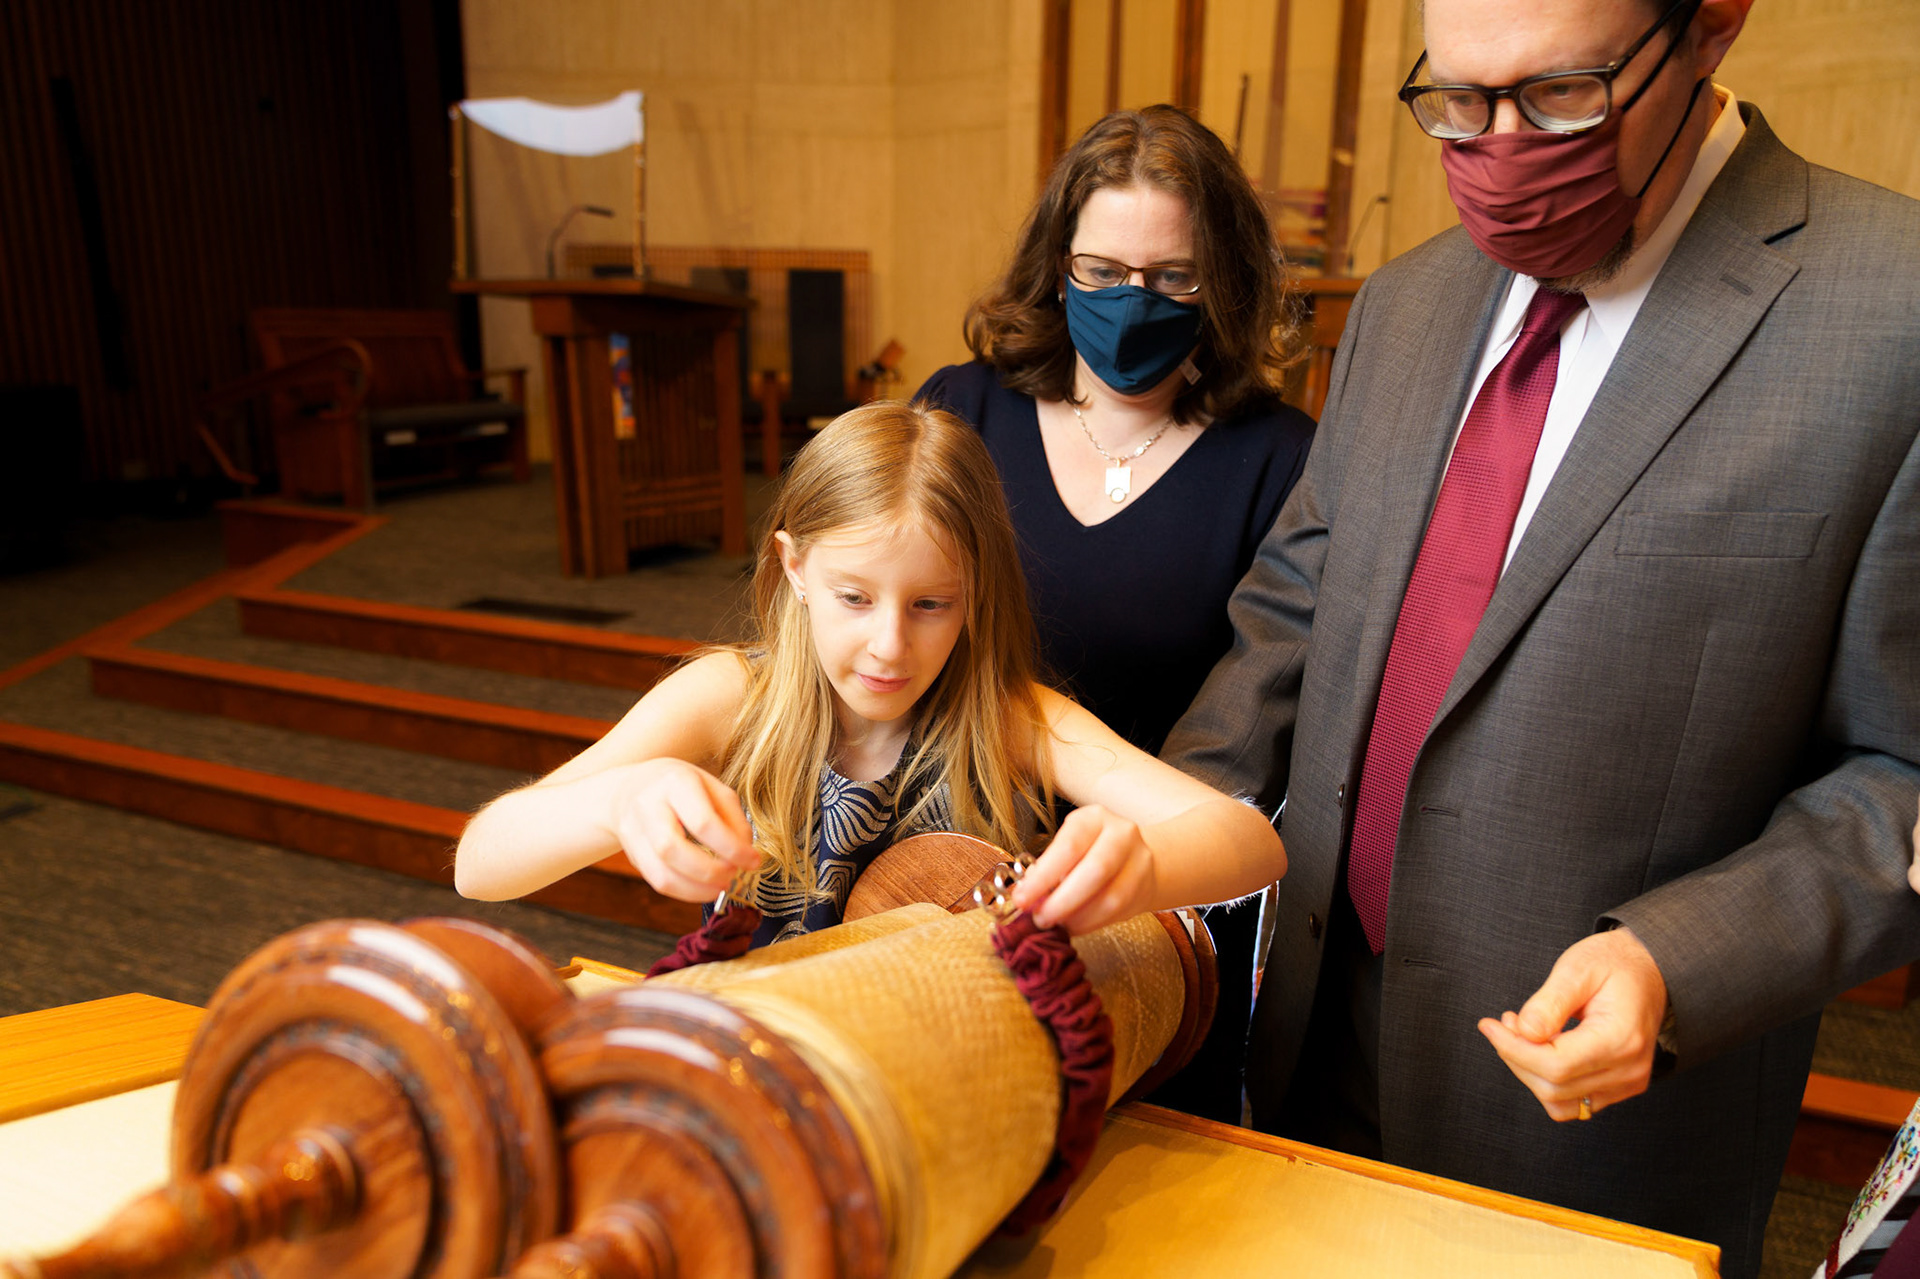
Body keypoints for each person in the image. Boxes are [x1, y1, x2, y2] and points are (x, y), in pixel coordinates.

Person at [1013, 0, 1920, 1274]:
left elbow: (1903, 773)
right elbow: (1294, 617)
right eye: (1455, 102)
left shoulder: (1894, 316)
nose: (1497, 150)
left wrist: (1685, 956)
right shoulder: (1406, 303)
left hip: (1597, 1106)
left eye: (1557, 99)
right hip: (1316, 1036)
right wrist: (1162, 833)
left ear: (1711, 28)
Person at [455, 400, 1285, 955]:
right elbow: (481, 863)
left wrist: (1146, 862)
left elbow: (1253, 843)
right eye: (855, 597)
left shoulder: (1008, 716)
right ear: (796, 567)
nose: (889, 646)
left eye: (931, 603)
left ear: (976, 595)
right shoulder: (726, 698)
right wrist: (616, 800)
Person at [916, 104, 1315, 1121]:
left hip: (1155, 889)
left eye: (1172, 278)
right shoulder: (960, 413)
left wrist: (1133, 878)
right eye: (1100, 272)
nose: (1131, 302)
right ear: (1057, 264)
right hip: (936, 866)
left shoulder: (1279, 458)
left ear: (1218, 280)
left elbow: (1266, 709)